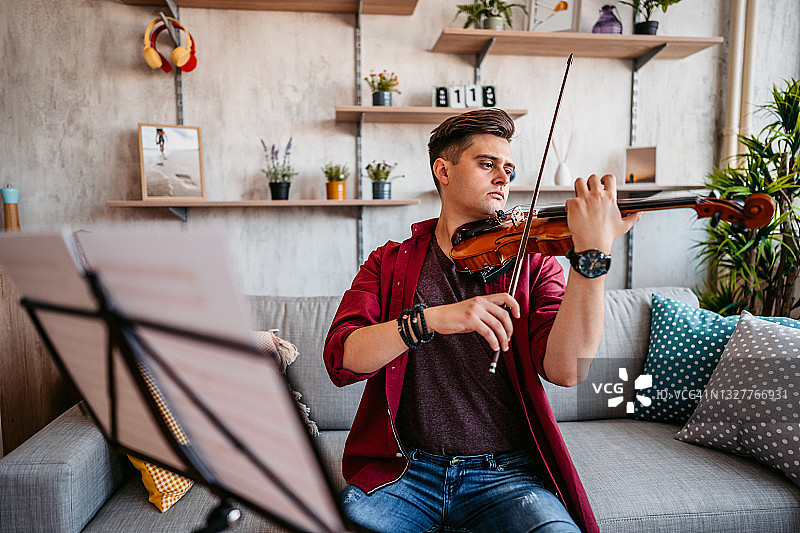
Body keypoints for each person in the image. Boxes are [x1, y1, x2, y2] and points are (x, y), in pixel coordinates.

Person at [323, 108, 641, 533]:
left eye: (508, 168)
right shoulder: (389, 261)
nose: (503, 178)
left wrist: (591, 258)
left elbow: (567, 371)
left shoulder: (535, 261)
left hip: (507, 476)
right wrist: (430, 320)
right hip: (404, 474)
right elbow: (344, 358)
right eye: (487, 164)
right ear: (444, 170)